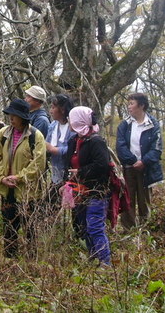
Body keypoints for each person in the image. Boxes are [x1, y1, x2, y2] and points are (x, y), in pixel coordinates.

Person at [0, 98, 46, 257]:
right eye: (10, 115)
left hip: (28, 193)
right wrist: (1, 177)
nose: (11, 118)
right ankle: (10, 259)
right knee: (9, 228)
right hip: (7, 191)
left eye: (14, 115)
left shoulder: (36, 136)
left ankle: (31, 260)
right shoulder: (3, 133)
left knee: (30, 229)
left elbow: (38, 163)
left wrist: (19, 177)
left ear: (23, 117)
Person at [66, 106, 111, 265]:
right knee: (84, 227)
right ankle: (93, 259)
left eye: (72, 119)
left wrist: (81, 172)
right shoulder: (74, 140)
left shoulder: (96, 141)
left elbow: (102, 165)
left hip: (96, 192)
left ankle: (105, 263)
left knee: (95, 228)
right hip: (78, 192)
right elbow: (68, 163)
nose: (69, 122)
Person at [116, 92, 163, 229]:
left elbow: (157, 148)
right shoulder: (125, 125)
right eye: (128, 104)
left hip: (146, 169)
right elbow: (120, 146)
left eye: (132, 104)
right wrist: (132, 161)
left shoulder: (153, 124)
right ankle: (128, 229)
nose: (129, 107)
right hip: (129, 168)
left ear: (141, 105)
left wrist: (144, 162)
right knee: (128, 199)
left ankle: (144, 229)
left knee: (144, 200)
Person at [45, 94, 76, 191]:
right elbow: (47, 143)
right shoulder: (53, 125)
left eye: (53, 108)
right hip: (55, 174)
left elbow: (74, 148)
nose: (51, 111)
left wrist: (56, 150)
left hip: (70, 174)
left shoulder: (72, 127)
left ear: (62, 110)